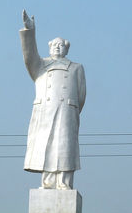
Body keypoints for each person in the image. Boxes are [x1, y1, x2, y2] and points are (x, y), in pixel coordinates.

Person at [19, 10, 87, 190]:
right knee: (45, 145)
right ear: (49, 47)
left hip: (66, 111)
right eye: (54, 45)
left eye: (60, 45)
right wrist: (30, 31)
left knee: (64, 146)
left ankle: (64, 182)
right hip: (45, 112)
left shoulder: (76, 68)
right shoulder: (40, 65)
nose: (57, 47)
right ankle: (48, 182)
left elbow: (81, 95)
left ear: (66, 49)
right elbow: (29, 56)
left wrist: (71, 110)